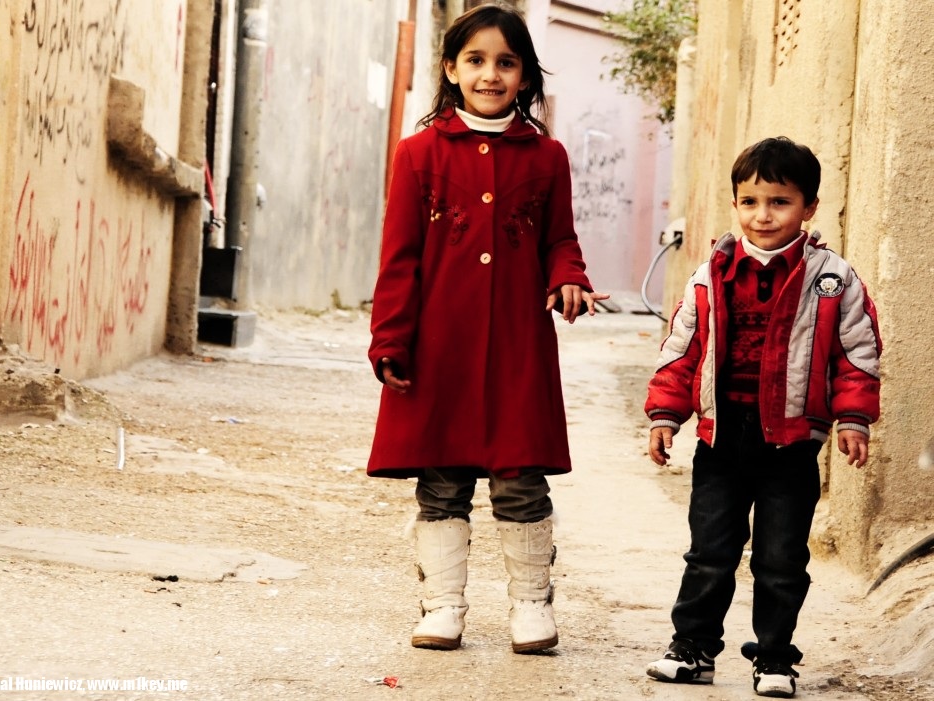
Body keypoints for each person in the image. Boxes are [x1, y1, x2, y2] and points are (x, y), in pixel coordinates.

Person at [366, 3, 609, 654]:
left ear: (527, 76)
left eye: (507, 62)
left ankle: (531, 606)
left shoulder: (548, 157)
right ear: (451, 69)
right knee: (441, 478)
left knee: (521, 476)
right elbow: (399, 257)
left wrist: (569, 278)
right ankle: (442, 605)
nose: (491, 74)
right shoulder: (418, 156)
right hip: (437, 344)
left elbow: (560, 238)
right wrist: (389, 337)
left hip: (516, 346)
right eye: (475, 60)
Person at [643, 136, 882, 698]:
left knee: (780, 560)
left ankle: (775, 657)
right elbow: (682, 350)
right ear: (735, 205)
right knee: (709, 552)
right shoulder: (710, 275)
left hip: (791, 446)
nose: (762, 214)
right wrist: (664, 415)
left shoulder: (833, 280)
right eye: (749, 201)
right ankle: (694, 648)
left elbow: (857, 355)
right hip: (721, 440)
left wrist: (851, 419)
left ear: (809, 208)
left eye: (779, 202)